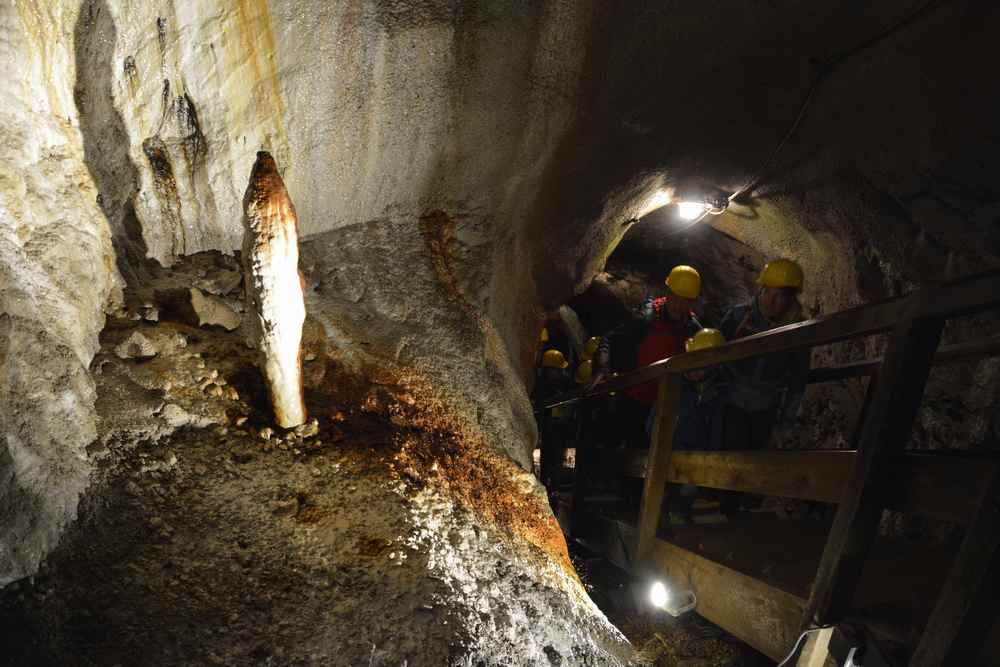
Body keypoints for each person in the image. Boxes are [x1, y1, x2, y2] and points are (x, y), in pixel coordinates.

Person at [718, 258, 811, 451]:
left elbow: (798, 381)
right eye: (768, 291)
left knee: (753, 466)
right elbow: (711, 358)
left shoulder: (797, 332)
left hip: (765, 411)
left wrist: (784, 426)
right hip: (730, 404)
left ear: (791, 298)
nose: (771, 301)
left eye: (780, 296)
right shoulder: (738, 317)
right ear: (761, 288)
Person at [534, 349, 573, 499]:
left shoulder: (566, 383)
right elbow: (539, 402)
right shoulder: (542, 384)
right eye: (557, 370)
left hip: (561, 425)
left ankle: (555, 487)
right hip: (548, 424)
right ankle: (544, 484)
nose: (559, 373)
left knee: (558, 456)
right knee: (547, 455)